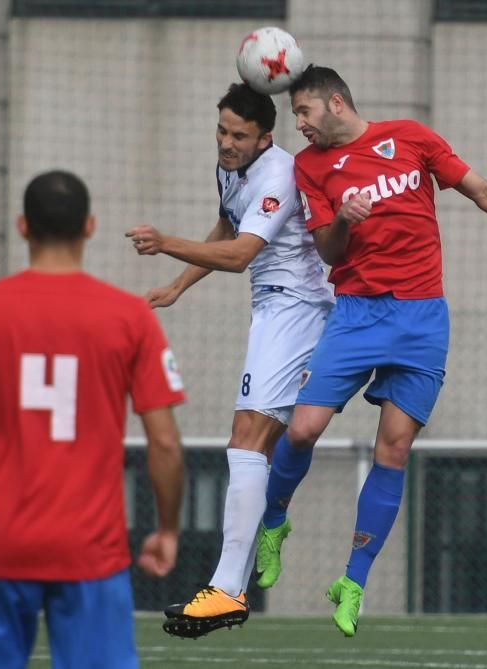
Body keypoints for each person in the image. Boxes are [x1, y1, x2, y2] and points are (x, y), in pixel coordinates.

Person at [253, 64, 487, 637]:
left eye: (304, 112)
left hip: (422, 317)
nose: (299, 125)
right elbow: (329, 253)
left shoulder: (410, 137)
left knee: (395, 448)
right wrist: (347, 222)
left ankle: (352, 582)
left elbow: (481, 191)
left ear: (335, 103)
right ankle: (274, 521)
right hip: (357, 312)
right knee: (303, 428)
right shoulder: (310, 168)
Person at [0, 170, 186, 669]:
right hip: (90, 547)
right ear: (90, 226)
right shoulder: (130, 317)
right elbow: (166, 444)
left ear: (22, 227)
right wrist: (168, 528)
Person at [126, 82, 334, 638]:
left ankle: (227, 589)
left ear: (265, 137)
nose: (226, 143)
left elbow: (241, 254)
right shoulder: (231, 169)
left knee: (245, 439)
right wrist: (178, 285)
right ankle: (257, 546)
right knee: (272, 440)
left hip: (296, 307)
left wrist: (168, 242)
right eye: (221, 131)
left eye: (239, 135)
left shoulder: (277, 175)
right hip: (274, 309)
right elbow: (225, 226)